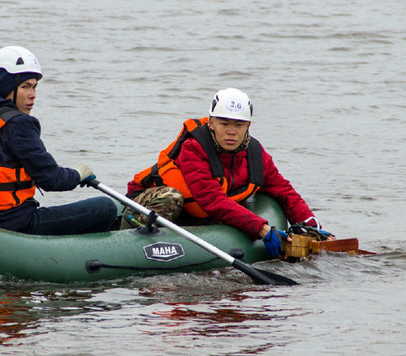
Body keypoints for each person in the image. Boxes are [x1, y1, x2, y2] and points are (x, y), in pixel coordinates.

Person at [124, 88, 332, 258]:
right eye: (224, 124)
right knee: (172, 198)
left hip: (196, 214)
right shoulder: (193, 148)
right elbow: (212, 200)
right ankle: (141, 246)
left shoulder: (256, 156)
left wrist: (312, 227)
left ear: (248, 125)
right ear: (212, 123)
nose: (231, 131)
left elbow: (285, 192)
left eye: (238, 124)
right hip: (147, 203)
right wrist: (263, 229)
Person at [0, 46, 117, 235]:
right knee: (105, 207)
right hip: (12, 224)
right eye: (25, 86)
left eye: (34, 87)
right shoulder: (18, 123)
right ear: (6, 87)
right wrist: (78, 174)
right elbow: (52, 180)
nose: (32, 94)